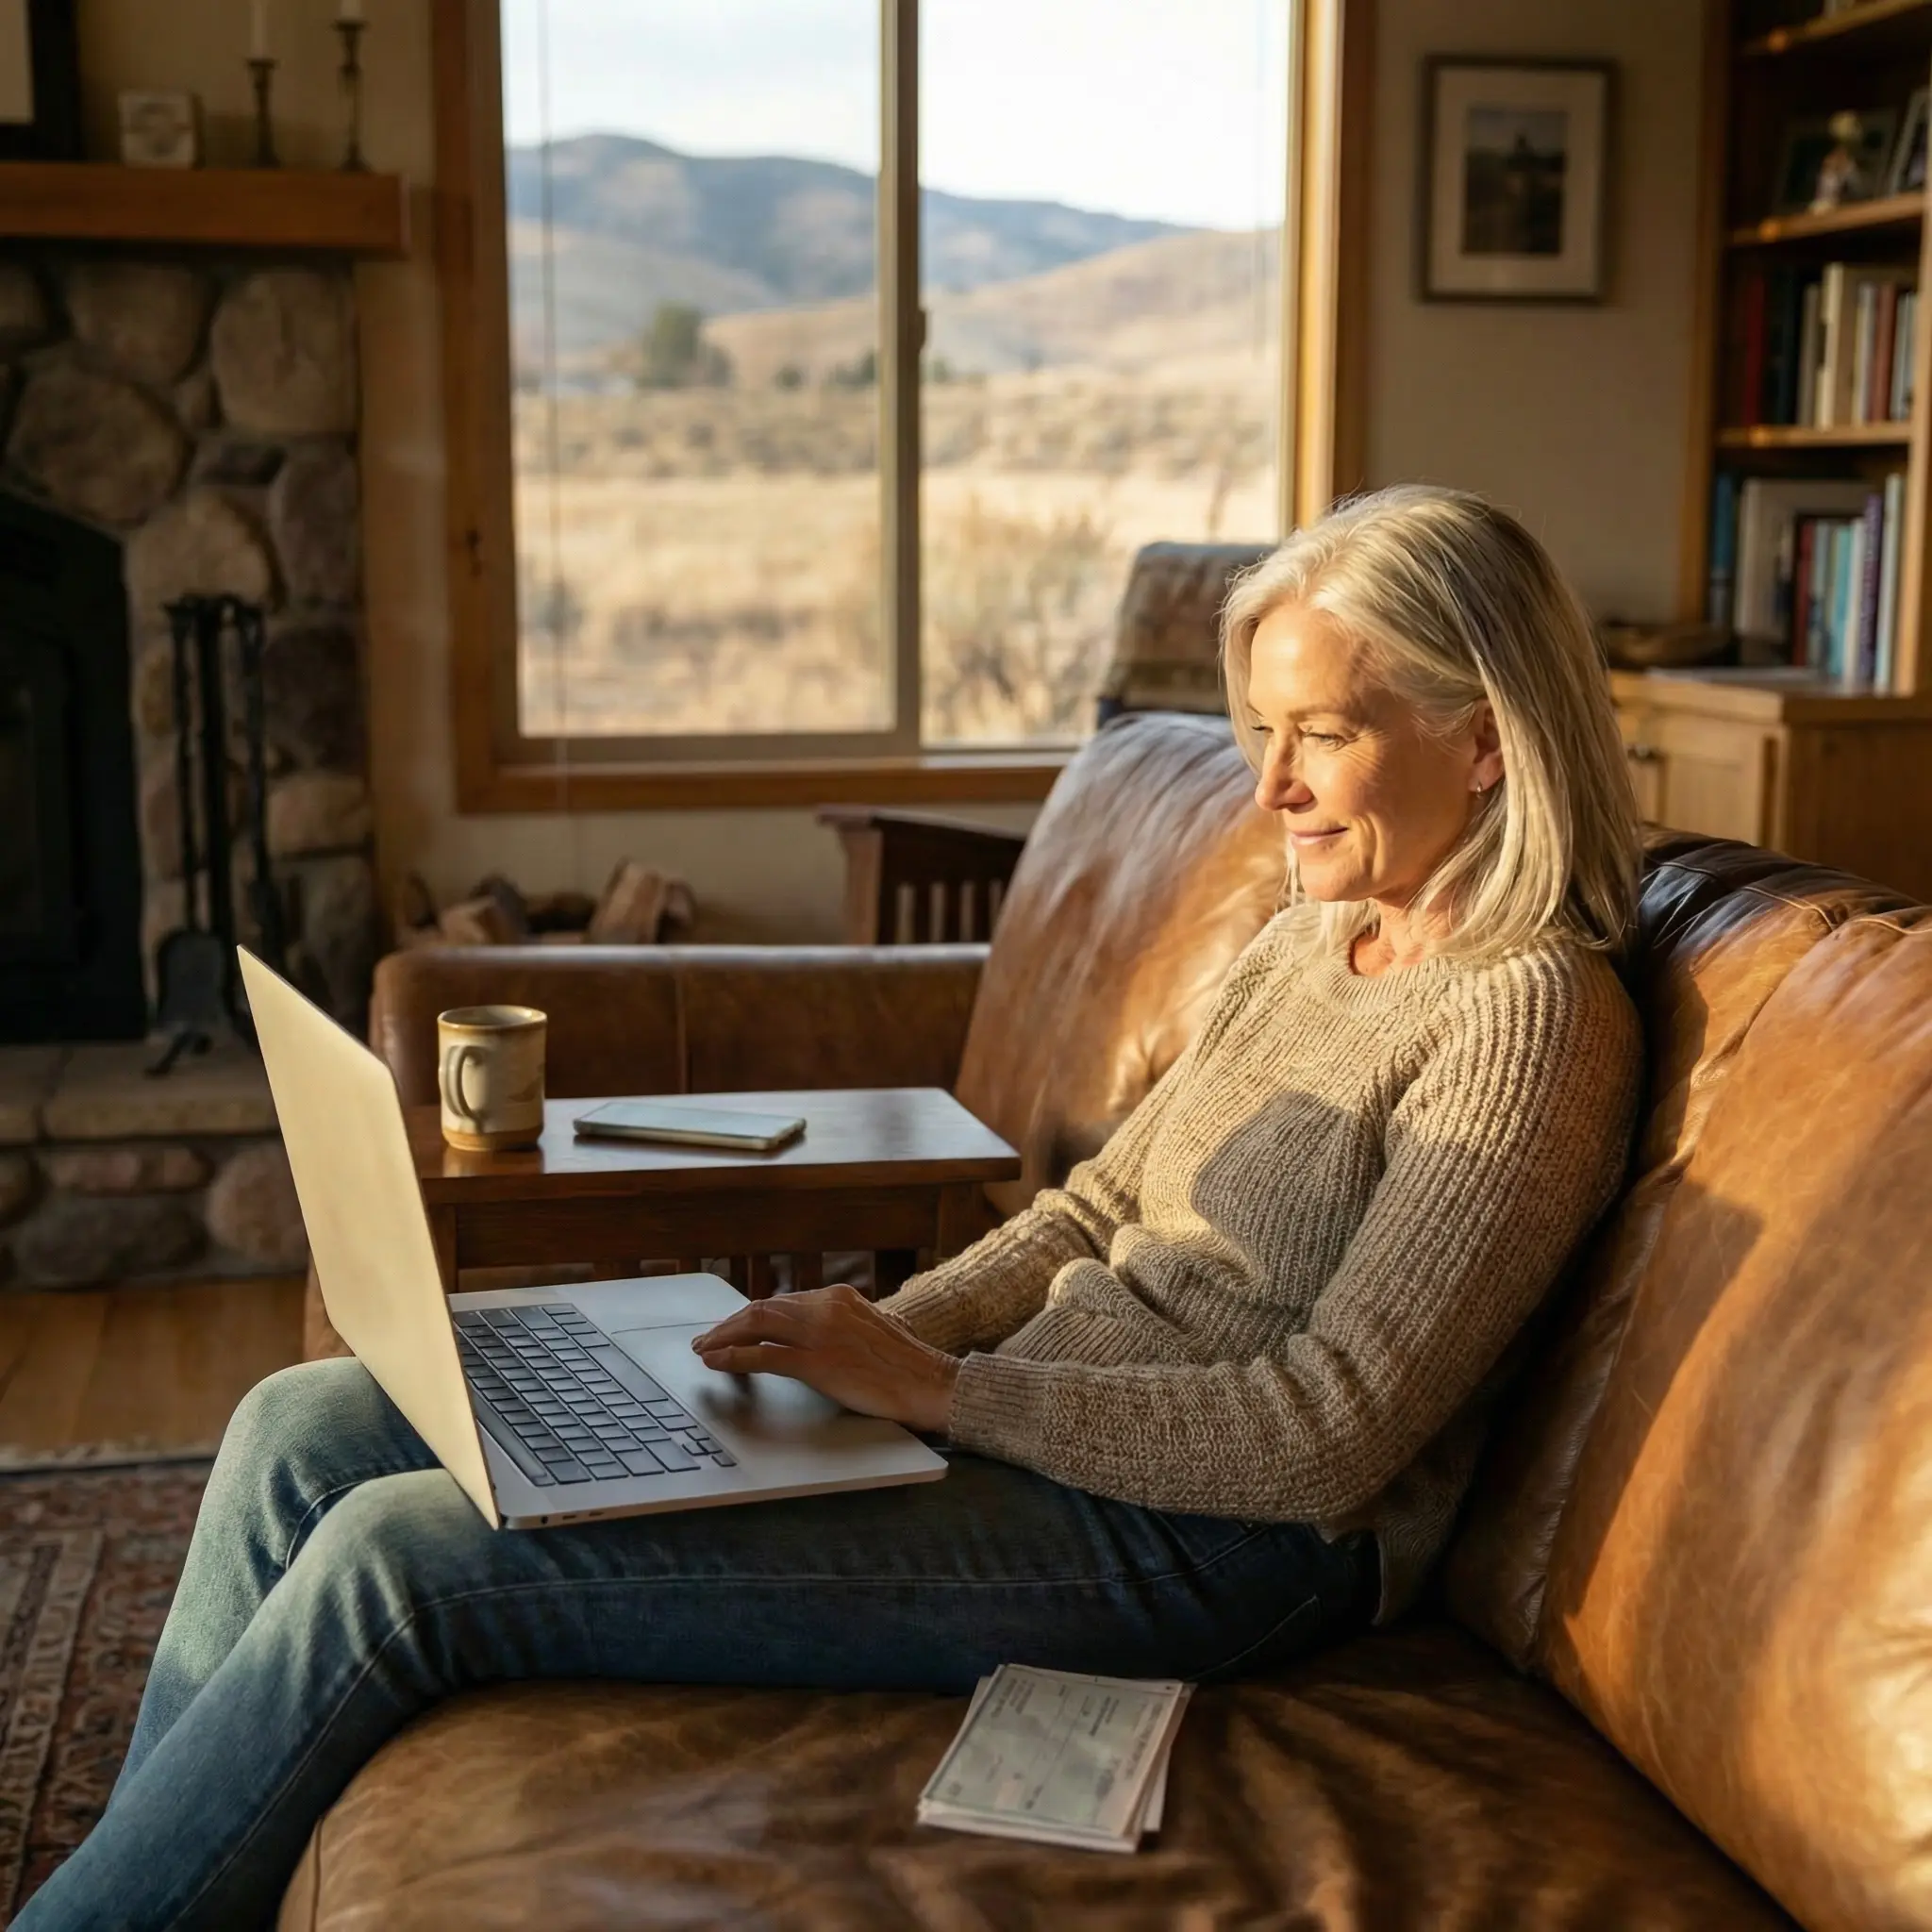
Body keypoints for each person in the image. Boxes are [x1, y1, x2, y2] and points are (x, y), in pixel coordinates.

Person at [18, 485, 1644, 1929]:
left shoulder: (1527, 1020)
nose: (1272, 785)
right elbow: (1087, 1217)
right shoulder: (1315, 938)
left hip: (1223, 1549)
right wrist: (842, 1344)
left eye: (1325, 735)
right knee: (302, 1424)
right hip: (1041, 1434)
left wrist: (937, 1394)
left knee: (402, 1559)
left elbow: (1326, 1437)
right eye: (1259, 731)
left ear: (1486, 734)